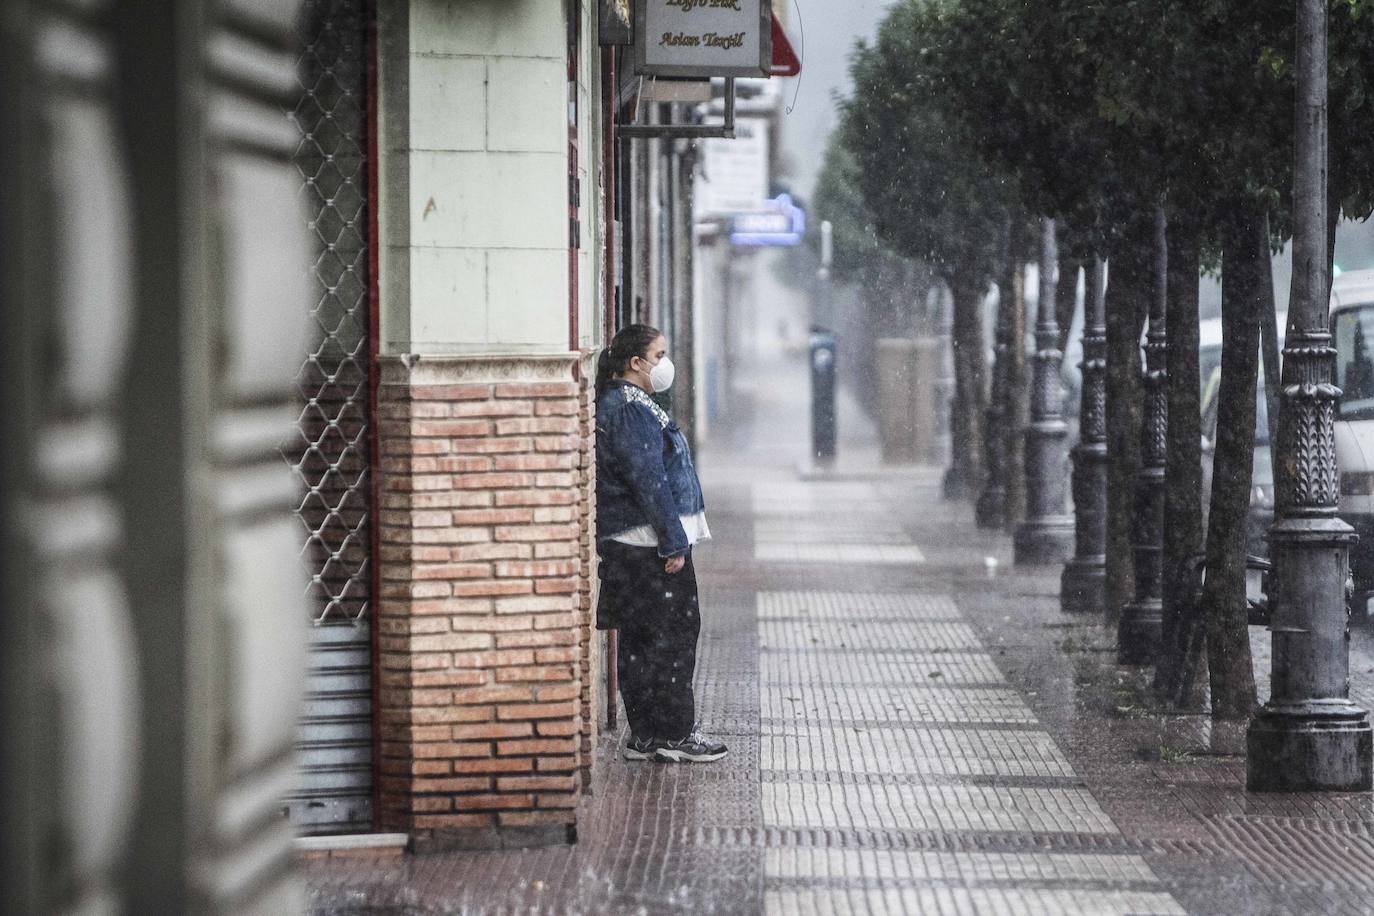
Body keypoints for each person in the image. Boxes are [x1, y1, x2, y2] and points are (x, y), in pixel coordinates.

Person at [594, 324, 728, 763]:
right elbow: (649, 481)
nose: (665, 363)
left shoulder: (628, 403)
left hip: (633, 542)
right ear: (636, 363)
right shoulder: (630, 409)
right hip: (648, 543)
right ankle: (673, 733)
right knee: (672, 635)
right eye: (660, 354)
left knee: (642, 636)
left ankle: (647, 734)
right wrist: (673, 542)